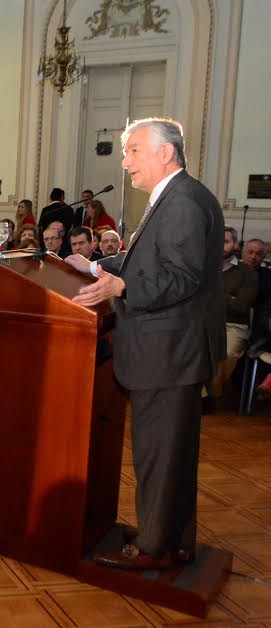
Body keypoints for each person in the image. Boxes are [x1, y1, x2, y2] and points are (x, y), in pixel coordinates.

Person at [66, 117, 224, 570]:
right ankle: (172, 538)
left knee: (158, 452)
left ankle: (153, 548)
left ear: (165, 152)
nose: (125, 161)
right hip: (171, 348)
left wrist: (119, 288)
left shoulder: (183, 202)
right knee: (171, 452)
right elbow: (144, 259)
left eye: (133, 150)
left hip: (168, 351)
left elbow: (180, 276)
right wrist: (95, 267)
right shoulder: (176, 196)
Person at [202, 226, 255, 411]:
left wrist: (214, 294)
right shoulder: (204, 267)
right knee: (188, 347)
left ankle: (212, 396)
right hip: (204, 322)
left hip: (233, 324)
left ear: (235, 245)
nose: (220, 245)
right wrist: (227, 297)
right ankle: (202, 397)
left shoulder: (246, 272)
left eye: (226, 241)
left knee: (227, 353)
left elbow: (241, 306)